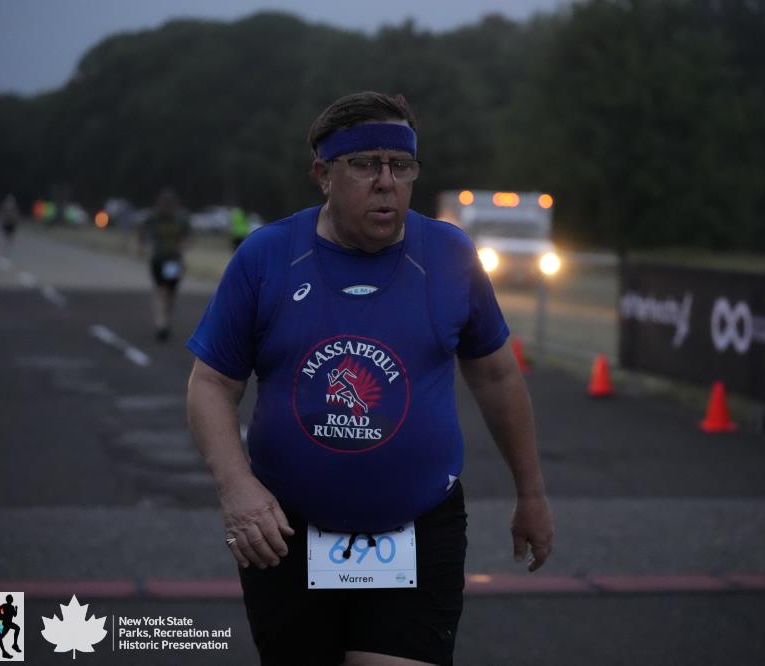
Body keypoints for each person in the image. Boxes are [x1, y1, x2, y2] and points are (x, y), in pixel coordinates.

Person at [186, 91, 553, 666]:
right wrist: (237, 489)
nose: (386, 183)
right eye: (364, 164)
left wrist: (531, 494)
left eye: (400, 166)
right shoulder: (267, 256)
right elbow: (211, 384)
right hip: (283, 529)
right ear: (323, 175)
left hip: (420, 525)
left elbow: (497, 377)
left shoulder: (450, 256)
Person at [137, 189, 191, 341]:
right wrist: (141, 245)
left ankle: (166, 319)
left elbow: (188, 235)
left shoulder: (180, 219)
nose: (167, 208)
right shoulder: (154, 218)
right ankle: (161, 324)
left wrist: (183, 245)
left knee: (170, 293)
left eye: (169, 205)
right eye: (164, 204)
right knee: (161, 291)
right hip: (159, 260)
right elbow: (141, 228)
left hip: (173, 261)